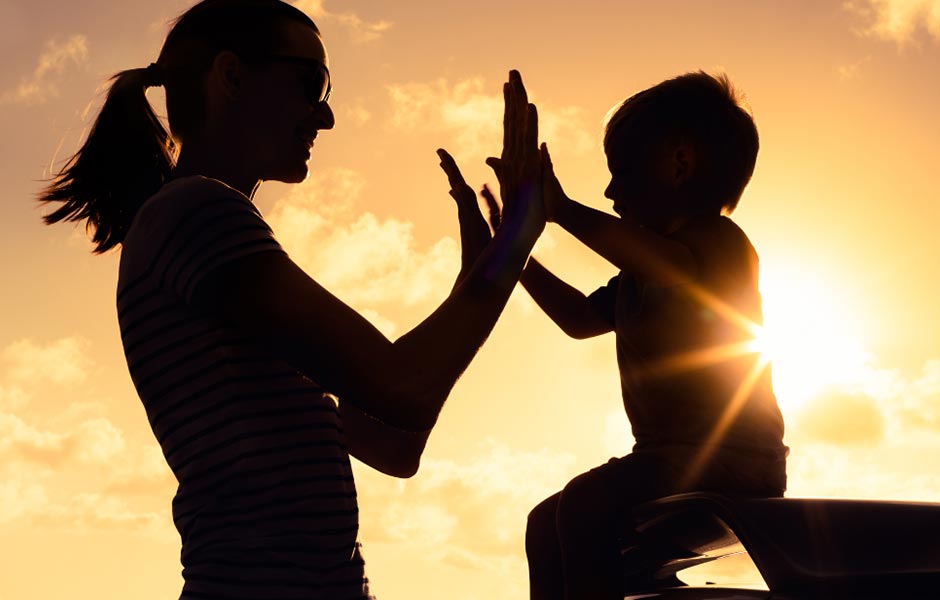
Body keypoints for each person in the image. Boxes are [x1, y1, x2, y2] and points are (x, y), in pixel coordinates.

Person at [37, 0, 544, 598]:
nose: (324, 116)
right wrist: (514, 241)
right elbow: (404, 390)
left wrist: (480, 276)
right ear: (230, 77)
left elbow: (394, 444)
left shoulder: (207, 230)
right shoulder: (196, 214)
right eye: (313, 84)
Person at [519, 72, 788, 599]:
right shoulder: (638, 274)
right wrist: (512, 255)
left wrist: (562, 210)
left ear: (679, 164)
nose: (611, 192)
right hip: (668, 461)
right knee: (544, 522)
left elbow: (674, 271)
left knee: (585, 503)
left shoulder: (720, 245)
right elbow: (578, 319)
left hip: (736, 459)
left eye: (621, 173)